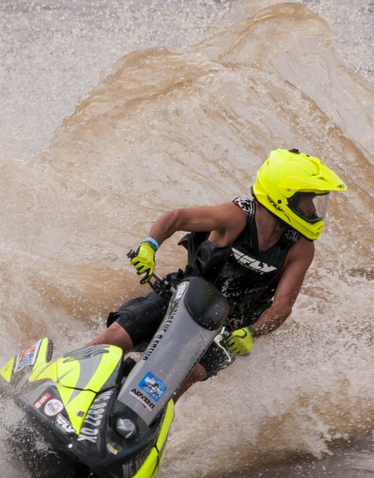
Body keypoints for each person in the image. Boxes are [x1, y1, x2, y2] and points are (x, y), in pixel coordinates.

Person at [89, 148, 346, 400]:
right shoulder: (235, 217)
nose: (313, 210)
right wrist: (149, 247)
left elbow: (282, 306)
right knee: (115, 338)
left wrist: (252, 332)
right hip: (182, 298)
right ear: (283, 197)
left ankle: (145, 425)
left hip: (230, 331)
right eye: (307, 201)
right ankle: (58, 380)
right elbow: (177, 218)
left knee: (190, 372)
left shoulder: (300, 248)